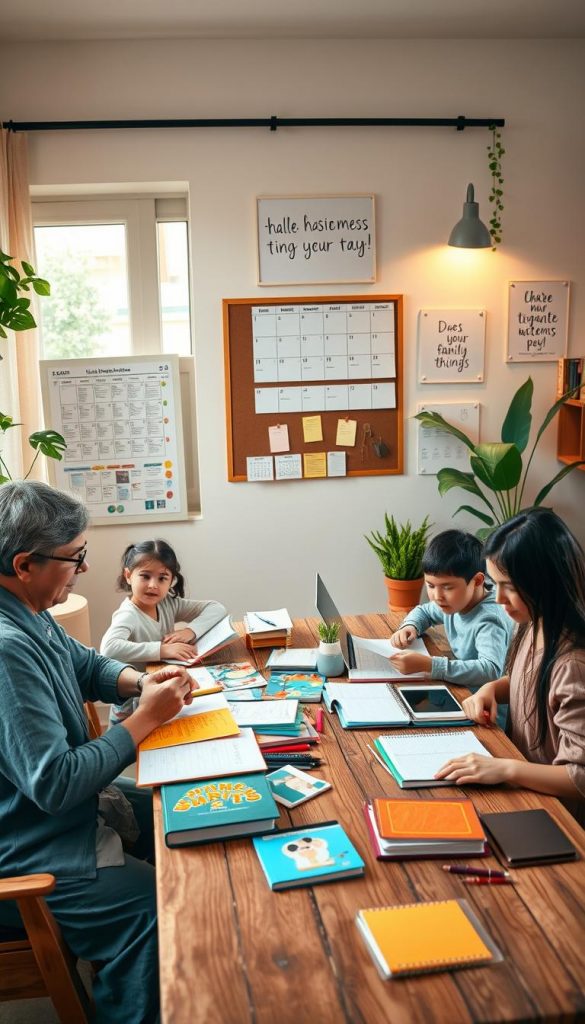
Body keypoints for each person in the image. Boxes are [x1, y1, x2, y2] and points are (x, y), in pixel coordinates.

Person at [0, 481, 196, 1024]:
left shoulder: (28, 611)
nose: (82, 569)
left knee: (186, 810)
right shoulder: (6, 651)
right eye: (75, 558)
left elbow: (86, 665)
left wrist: (140, 681)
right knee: (157, 912)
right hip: (33, 851)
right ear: (24, 564)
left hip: (58, 821)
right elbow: (57, 782)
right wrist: (145, 719)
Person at [435, 508, 585, 827]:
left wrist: (505, 769)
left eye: (510, 586)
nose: (499, 598)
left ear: (545, 581)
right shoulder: (531, 624)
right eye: (495, 583)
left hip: (560, 818)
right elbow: (529, 681)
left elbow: (580, 776)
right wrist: (494, 688)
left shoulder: (573, 664)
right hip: (524, 790)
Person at [389, 529, 514, 726]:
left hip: (485, 716)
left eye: (447, 587)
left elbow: (490, 670)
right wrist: (410, 626)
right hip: (459, 693)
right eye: (430, 585)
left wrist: (430, 665)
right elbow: (424, 612)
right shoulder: (456, 601)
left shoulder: (489, 619)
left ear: (478, 581)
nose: (437, 596)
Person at [101, 539, 227, 724]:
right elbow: (109, 648)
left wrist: (190, 631)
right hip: (132, 708)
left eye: (162, 578)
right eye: (145, 576)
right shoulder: (128, 614)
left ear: (171, 580)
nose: (153, 585)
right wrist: (162, 649)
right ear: (128, 575)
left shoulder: (168, 603)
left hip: (161, 694)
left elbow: (217, 608)